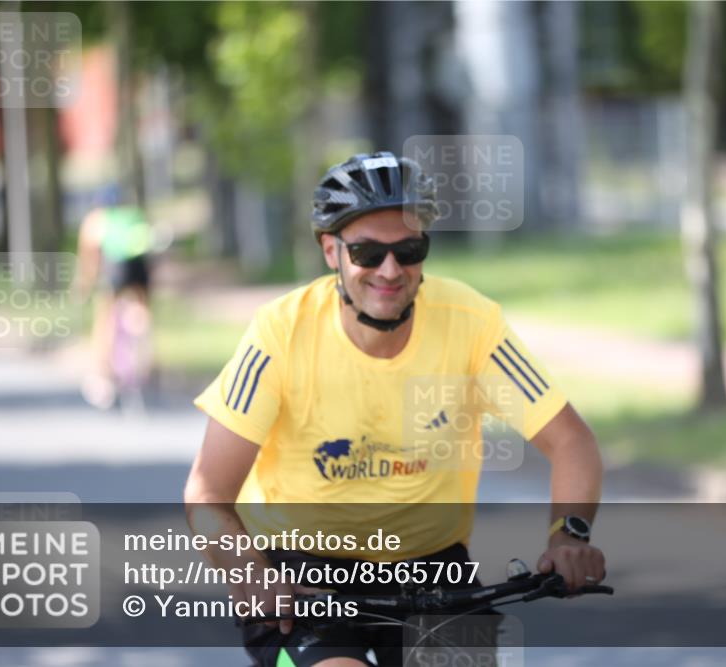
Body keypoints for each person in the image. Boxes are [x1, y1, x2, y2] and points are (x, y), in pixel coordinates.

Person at [184, 152, 605, 667]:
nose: (390, 270)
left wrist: (569, 537)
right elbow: (207, 493)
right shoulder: (282, 332)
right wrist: (249, 571)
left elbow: (570, 441)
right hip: (301, 580)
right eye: (366, 252)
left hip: (433, 573)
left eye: (409, 249)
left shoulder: (469, 321)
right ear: (330, 251)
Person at [75, 186, 155, 409]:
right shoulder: (134, 216)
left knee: (105, 319)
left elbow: (89, 260)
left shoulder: (96, 220)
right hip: (139, 270)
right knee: (141, 314)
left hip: (116, 270)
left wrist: (83, 286)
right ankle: (146, 361)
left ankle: (103, 373)